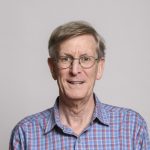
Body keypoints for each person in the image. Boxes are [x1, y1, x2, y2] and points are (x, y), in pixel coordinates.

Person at [9, 21, 150, 150]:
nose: (75, 70)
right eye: (65, 59)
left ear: (99, 67)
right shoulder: (25, 134)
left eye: (86, 59)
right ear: (52, 68)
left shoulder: (132, 127)